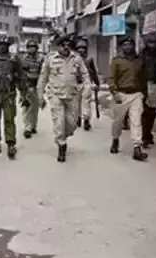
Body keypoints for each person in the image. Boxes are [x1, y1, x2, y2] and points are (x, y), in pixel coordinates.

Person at [37, 34, 89, 162]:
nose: (66, 47)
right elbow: (43, 78)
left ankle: (64, 136)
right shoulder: (50, 59)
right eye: (63, 45)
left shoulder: (77, 58)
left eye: (68, 45)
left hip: (72, 95)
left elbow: (85, 74)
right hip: (55, 95)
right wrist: (40, 95)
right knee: (59, 122)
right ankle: (61, 145)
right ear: (58, 46)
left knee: (72, 123)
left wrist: (87, 88)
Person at [108, 35, 149, 161]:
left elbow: (144, 78)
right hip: (121, 94)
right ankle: (115, 139)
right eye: (125, 45)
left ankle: (137, 148)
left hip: (136, 94)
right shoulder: (117, 61)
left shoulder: (139, 60)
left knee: (136, 121)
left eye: (130, 44)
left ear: (133, 46)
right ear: (121, 47)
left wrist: (144, 93)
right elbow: (111, 78)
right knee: (118, 122)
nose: (128, 47)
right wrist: (114, 93)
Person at [74, 37, 100, 131]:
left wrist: (97, 83)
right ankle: (78, 118)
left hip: (87, 83)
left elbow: (94, 72)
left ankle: (86, 120)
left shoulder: (89, 59)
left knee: (86, 102)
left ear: (86, 49)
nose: (81, 50)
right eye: (79, 48)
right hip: (76, 83)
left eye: (83, 48)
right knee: (76, 102)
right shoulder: (73, 59)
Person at [20, 39, 44, 138]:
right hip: (27, 85)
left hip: (37, 86)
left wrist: (42, 86)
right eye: (30, 47)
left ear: (36, 48)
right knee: (26, 106)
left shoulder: (41, 59)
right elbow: (21, 73)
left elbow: (43, 73)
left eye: (33, 47)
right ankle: (27, 127)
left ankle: (33, 125)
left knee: (35, 107)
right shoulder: (24, 59)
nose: (31, 49)